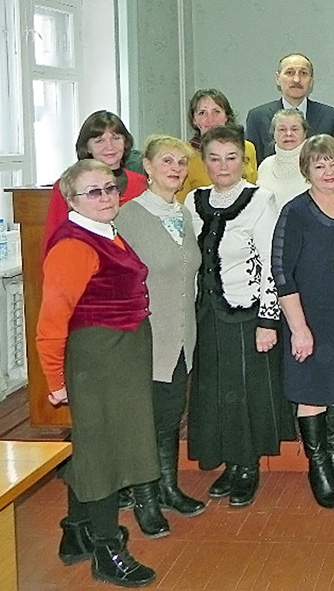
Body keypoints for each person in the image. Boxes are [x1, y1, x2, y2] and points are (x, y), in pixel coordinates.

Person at [37, 160, 157, 587]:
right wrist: (56, 381)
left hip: (120, 357)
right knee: (105, 452)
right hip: (98, 361)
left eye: (109, 188)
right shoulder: (73, 245)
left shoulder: (104, 230)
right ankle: (107, 549)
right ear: (71, 200)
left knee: (93, 443)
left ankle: (75, 532)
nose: (106, 197)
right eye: (94, 192)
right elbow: (51, 321)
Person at [185, 124, 296, 508]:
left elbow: (272, 264)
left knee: (247, 391)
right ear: (204, 162)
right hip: (207, 315)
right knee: (217, 392)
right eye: (214, 158)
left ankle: (248, 466)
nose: (223, 165)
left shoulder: (260, 199)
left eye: (231, 157)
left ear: (244, 161)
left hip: (246, 314)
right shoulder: (194, 201)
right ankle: (230, 462)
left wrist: (268, 320)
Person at [116, 136, 205, 540]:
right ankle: (145, 499)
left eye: (181, 163)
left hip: (182, 335)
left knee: (170, 416)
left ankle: (169, 487)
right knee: (145, 422)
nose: (176, 169)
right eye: (166, 161)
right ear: (147, 168)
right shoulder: (127, 217)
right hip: (147, 337)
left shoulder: (183, 214)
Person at [272, 135, 334, 508]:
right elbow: (282, 272)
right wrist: (299, 329)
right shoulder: (295, 212)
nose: (328, 171)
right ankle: (318, 466)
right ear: (306, 170)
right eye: (319, 165)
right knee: (312, 393)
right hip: (308, 317)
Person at [44, 111, 147, 250]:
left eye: (116, 138)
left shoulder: (142, 183)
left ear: (125, 142)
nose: (109, 146)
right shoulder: (69, 185)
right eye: (100, 141)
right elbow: (54, 238)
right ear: (87, 147)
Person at [245, 53, 334, 163]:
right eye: (289, 73)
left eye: (303, 73)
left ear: (311, 81)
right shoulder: (258, 117)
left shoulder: (331, 117)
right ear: (278, 78)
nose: (296, 79)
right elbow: (251, 163)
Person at [176, 89, 258, 203]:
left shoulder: (247, 148)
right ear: (194, 120)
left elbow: (253, 190)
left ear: (227, 116)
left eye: (216, 111)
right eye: (202, 113)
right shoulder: (185, 155)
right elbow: (181, 203)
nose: (210, 119)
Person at [256, 109, 311, 209]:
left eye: (294, 129)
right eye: (282, 129)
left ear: (305, 133)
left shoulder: (314, 164)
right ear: (273, 134)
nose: (288, 134)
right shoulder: (265, 165)